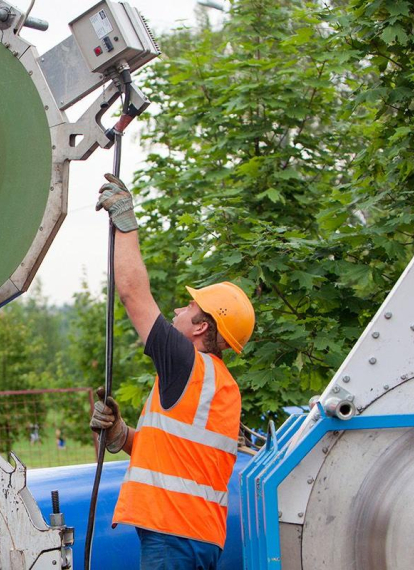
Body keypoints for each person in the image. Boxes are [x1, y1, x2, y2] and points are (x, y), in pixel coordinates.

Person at [89, 174, 255, 569]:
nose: (178, 311)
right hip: (198, 537)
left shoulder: (185, 362)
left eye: (188, 308)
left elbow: (132, 293)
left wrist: (125, 223)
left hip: (173, 535)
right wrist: (121, 435)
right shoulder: (221, 386)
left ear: (201, 327)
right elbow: (181, 458)